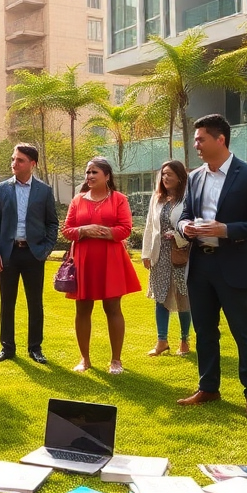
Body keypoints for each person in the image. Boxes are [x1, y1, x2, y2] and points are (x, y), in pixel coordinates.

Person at [177, 114, 247, 417]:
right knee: (205, 331)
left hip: (234, 264)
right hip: (200, 266)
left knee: (243, 332)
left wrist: (227, 230)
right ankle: (208, 388)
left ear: (220, 139)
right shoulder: (194, 177)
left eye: (201, 139)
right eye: (195, 139)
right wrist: (185, 228)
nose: (196, 144)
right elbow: (184, 214)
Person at [62, 157, 142, 374]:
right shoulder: (77, 200)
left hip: (111, 259)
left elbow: (125, 228)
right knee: (83, 308)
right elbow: (67, 229)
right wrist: (84, 230)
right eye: (87, 172)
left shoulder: (119, 199)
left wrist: (105, 232)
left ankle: (116, 360)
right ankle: (84, 359)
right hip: (84, 260)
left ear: (107, 176)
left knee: (113, 308)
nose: (89, 176)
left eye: (94, 172)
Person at [0, 143, 59, 364]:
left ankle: (35, 348)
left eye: (19, 160)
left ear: (32, 164)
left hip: (34, 254)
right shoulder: (1, 189)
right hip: (8, 254)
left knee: (34, 303)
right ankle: (7, 348)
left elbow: (52, 223)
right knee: (7, 302)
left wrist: (45, 249)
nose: (14, 164)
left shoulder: (44, 191)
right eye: (13, 159)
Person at [141, 160, 192, 356]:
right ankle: (161, 341)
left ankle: (184, 340)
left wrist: (178, 236)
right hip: (159, 254)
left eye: (169, 174)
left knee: (183, 297)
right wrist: (146, 253)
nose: (165, 178)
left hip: (179, 253)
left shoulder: (187, 199)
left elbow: (191, 224)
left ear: (180, 177)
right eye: (163, 174)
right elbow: (149, 226)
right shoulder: (158, 198)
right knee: (160, 297)